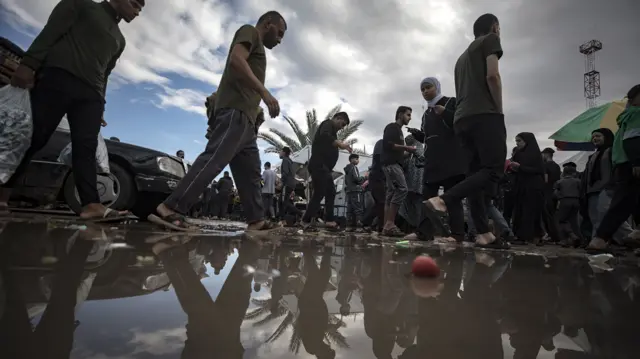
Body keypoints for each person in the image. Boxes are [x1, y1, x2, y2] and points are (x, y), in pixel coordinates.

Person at [1, 0, 144, 220]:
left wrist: (101, 104)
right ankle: (3, 194)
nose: (137, 12)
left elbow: (105, 73)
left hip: (91, 96)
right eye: (135, 4)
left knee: (86, 147)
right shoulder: (81, 5)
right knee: (33, 137)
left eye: (140, 9)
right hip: (58, 78)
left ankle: (91, 205)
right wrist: (28, 64)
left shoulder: (120, 40)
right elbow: (51, 32)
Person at [148, 11, 287, 231]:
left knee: (250, 174)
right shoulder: (249, 32)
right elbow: (236, 60)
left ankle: (256, 220)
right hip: (236, 113)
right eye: (279, 33)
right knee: (213, 160)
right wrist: (265, 93)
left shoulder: (259, 49)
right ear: (268, 23)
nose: (279, 40)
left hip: (248, 122)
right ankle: (170, 209)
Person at [422, 14, 507, 249]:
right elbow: (492, 75)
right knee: (492, 170)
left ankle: (483, 233)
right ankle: (444, 200)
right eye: (499, 28)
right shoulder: (490, 39)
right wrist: (498, 110)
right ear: (494, 27)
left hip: (462, 119)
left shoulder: (461, 58)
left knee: (474, 177)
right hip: (485, 114)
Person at [412, 77, 466, 242]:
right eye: (422, 89)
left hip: (451, 159)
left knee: (452, 198)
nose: (425, 91)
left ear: (437, 87)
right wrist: (418, 135)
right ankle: (423, 233)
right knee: (427, 197)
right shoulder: (426, 114)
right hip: (432, 160)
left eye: (428, 87)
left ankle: (457, 234)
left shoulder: (450, 102)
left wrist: (445, 113)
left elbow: (461, 123)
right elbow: (429, 137)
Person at [588, 84, 640, 251]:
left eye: (598, 136)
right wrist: (637, 161)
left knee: (624, 203)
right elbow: (632, 140)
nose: (595, 139)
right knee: (622, 203)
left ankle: (603, 238)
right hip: (631, 165)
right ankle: (604, 237)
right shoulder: (636, 115)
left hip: (624, 165)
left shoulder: (626, 117)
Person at [301, 112, 352, 231]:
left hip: (325, 168)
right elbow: (325, 137)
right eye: (342, 123)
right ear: (337, 118)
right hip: (319, 165)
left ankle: (329, 220)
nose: (342, 127)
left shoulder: (333, 132)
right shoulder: (328, 124)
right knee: (319, 193)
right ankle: (305, 220)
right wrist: (340, 144)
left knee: (331, 192)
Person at [381, 106, 416, 237]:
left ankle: (386, 227)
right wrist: (406, 147)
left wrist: (408, 153)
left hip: (393, 164)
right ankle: (390, 224)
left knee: (390, 195)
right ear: (400, 114)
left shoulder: (400, 132)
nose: (410, 118)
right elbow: (388, 145)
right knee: (402, 189)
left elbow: (397, 150)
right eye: (408, 115)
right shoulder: (392, 127)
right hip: (391, 165)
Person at [511, 132, 546, 245]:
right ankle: (522, 235)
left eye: (519, 141)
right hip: (521, 186)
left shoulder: (535, 154)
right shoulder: (518, 154)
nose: (517, 144)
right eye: (516, 141)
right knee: (520, 211)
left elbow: (538, 170)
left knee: (531, 212)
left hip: (533, 187)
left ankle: (530, 236)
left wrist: (521, 167)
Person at [554, 165, 582, 247]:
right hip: (576, 201)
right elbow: (581, 191)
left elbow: (555, 193)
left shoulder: (559, 182)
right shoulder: (578, 181)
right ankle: (579, 239)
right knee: (573, 221)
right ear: (573, 173)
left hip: (565, 201)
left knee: (562, 220)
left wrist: (559, 197)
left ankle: (571, 236)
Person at [362, 140, 386, 233]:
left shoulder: (379, 145)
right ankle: (366, 222)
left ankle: (377, 225)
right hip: (377, 178)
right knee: (380, 203)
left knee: (379, 203)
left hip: (377, 178)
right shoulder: (381, 145)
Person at [541, 147, 562, 242]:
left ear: (546, 154)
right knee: (553, 215)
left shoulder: (545, 165)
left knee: (547, 216)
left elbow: (545, 180)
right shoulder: (557, 166)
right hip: (555, 192)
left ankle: (552, 235)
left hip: (547, 192)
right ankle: (557, 236)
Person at [279, 146, 302, 224]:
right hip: (291, 184)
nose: (280, 153)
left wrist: (281, 183)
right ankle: (283, 220)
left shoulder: (285, 160)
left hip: (287, 184)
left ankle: (300, 213)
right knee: (282, 201)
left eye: (280, 151)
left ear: (284, 153)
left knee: (283, 202)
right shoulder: (290, 161)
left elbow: (285, 173)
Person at [344, 154, 365, 231]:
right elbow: (357, 179)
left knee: (350, 209)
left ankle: (349, 226)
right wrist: (364, 177)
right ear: (352, 160)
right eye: (357, 159)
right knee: (358, 208)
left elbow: (346, 181)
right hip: (356, 191)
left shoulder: (346, 169)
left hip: (349, 191)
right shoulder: (354, 167)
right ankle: (359, 227)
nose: (358, 161)